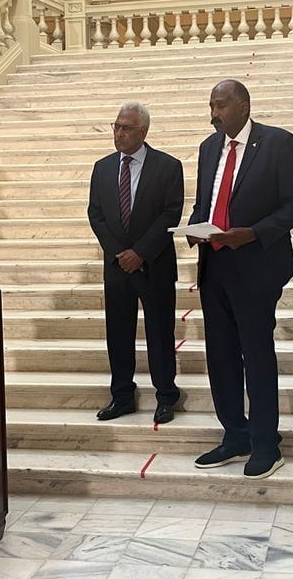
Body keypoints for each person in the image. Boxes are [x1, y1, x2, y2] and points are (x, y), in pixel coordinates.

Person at [187, 80, 293, 479]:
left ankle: (266, 444)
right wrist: (193, 226)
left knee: (256, 355)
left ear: (243, 106)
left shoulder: (276, 143)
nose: (214, 112)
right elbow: (204, 201)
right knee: (220, 356)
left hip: (256, 264)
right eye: (211, 104)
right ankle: (235, 435)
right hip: (215, 265)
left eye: (220, 105)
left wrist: (253, 233)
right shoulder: (209, 148)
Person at [87, 102, 184, 424]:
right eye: (116, 126)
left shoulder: (168, 166)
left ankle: (166, 396)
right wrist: (119, 252)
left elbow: (170, 213)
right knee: (118, 333)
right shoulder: (102, 168)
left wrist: (140, 252)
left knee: (159, 332)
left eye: (126, 128)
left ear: (143, 131)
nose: (119, 133)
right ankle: (122, 396)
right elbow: (96, 214)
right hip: (117, 267)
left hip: (154, 264)